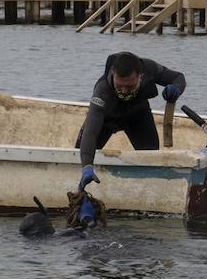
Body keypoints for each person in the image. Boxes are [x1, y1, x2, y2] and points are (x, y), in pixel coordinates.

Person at [75, 51, 185, 191]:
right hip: (106, 120)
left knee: (150, 158)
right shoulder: (102, 92)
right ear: (113, 74)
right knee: (79, 157)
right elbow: (90, 132)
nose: (124, 91)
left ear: (141, 76)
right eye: (119, 86)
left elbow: (178, 77)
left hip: (137, 116)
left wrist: (176, 88)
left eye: (130, 86)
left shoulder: (149, 68)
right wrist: (87, 166)